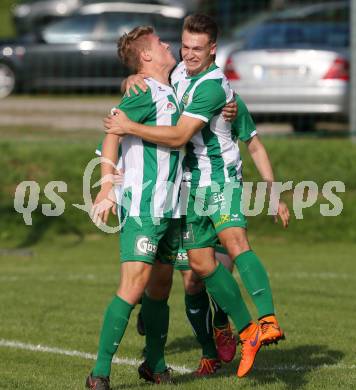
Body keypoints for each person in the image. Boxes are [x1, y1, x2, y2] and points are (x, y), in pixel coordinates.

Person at [105, 14, 290, 378]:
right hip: (185, 187)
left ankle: (265, 321)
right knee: (199, 267)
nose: (187, 54)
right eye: (184, 45)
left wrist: (274, 193)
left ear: (213, 50)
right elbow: (151, 83)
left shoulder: (213, 86)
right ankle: (225, 332)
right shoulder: (176, 76)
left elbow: (182, 136)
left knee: (234, 243)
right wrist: (132, 78)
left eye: (196, 49)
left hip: (219, 180)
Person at [86, 26, 184, 389]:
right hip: (143, 206)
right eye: (160, 43)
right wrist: (106, 187)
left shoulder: (169, 88)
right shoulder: (145, 92)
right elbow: (111, 134)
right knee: (133, 285)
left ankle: (154, 365)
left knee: (160, 287)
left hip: (171, 208)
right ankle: (99, 373)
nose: (167, 45)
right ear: (146, 56)